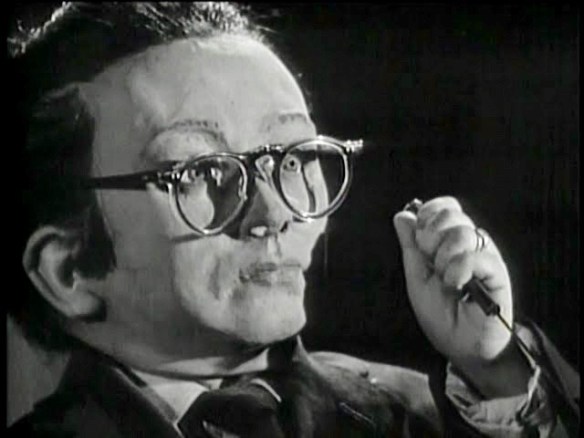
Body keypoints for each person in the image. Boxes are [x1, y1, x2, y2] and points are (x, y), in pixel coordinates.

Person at [7, 3, 579, 436]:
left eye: (293, 158)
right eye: (202, 172)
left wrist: (495, 366)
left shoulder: (420, 414)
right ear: (68, 270)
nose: (276, 213)